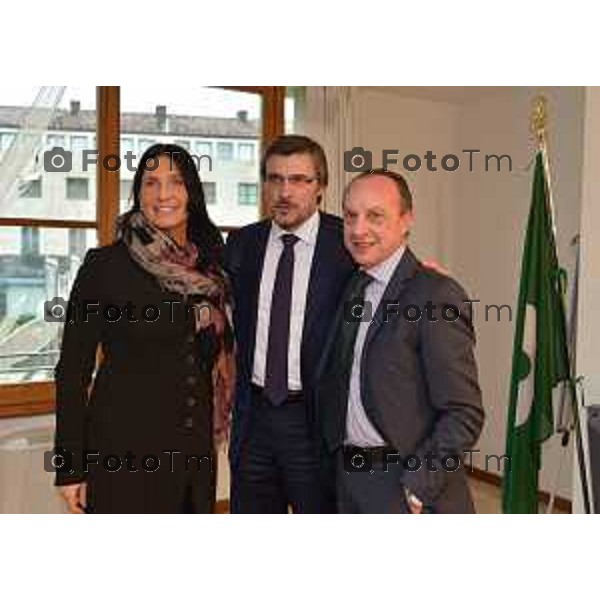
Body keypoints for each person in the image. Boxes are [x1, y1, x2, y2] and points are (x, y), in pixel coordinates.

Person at [53, 143, 234, 514]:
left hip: (195, 459)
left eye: (175, 182)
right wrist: (70, 468)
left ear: (192, 194)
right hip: (123, 459)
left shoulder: (212, 269)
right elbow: (72, 371)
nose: (163, 194)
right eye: (151, 183)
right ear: (138, 194)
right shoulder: (105, 265)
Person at [317, 169, 484, 513]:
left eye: (375, 216)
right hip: (350, 480)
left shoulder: (436, 293)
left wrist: (419, 486)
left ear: (406, 220)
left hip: (406, 487)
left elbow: (464, 412)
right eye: (350, 216)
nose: (359, 229)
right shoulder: (354, 286)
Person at [224, 135, 355, 513]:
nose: (284, 191)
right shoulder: (243, 244)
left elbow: (390, 279)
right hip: (255, 420)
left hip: (314, 422)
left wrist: (424, 280)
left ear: (321, 187)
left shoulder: (347, 243)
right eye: (274, 178)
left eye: (299, 179)